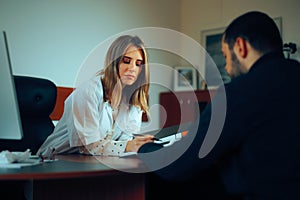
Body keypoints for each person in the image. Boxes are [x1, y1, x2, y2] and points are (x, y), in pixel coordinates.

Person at [140, 11, 300, 199]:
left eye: (225, 56)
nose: (226, 67)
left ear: (240, 47)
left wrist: (144, 148)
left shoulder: (239, 93)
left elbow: (178, 165)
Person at [37, 35, 154, 157]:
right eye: (126, 61)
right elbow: (89, 147)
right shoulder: (88, 92)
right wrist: (128, 146)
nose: (132, 68)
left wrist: (135, 144)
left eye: (138, 64)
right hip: (55, 160)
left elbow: (125, 140)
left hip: (94, 161)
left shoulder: (134, 102)